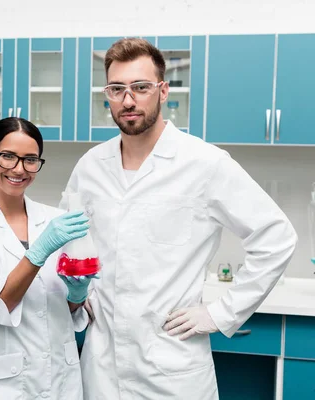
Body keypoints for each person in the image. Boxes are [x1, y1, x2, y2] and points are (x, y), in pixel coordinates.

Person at [61, 38, 297, 400]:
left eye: (140, 87)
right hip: (102, 366)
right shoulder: (90, 167)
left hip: (171, 371)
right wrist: (81, 291)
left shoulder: (204, 163)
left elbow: (276, 237)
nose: (128, 100)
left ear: (163, 90)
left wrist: (220, 313)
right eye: (116, 89)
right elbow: (72, 238)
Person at [0, 117, 95, 399]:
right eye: (8, 157)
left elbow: (65, 307)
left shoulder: (55, 219)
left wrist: (78, 294)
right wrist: (39, 251)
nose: (19, 169)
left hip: (57, 378)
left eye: (30, 160)